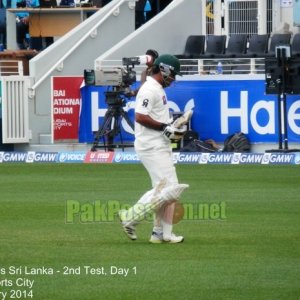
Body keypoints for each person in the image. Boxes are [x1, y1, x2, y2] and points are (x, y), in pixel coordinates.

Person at [119, 54, 189, 244]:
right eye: (173, 75)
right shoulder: (150, 89)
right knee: (170, 189)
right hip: (151, 146)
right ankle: (130, 218)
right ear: (164, 70)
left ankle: (160, 233)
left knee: (166, 190)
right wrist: (164, 128)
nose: (173, 80)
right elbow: (140, 117)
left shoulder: (156, 88)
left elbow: (156, 119)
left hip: (157, 144)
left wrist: (171, 127)